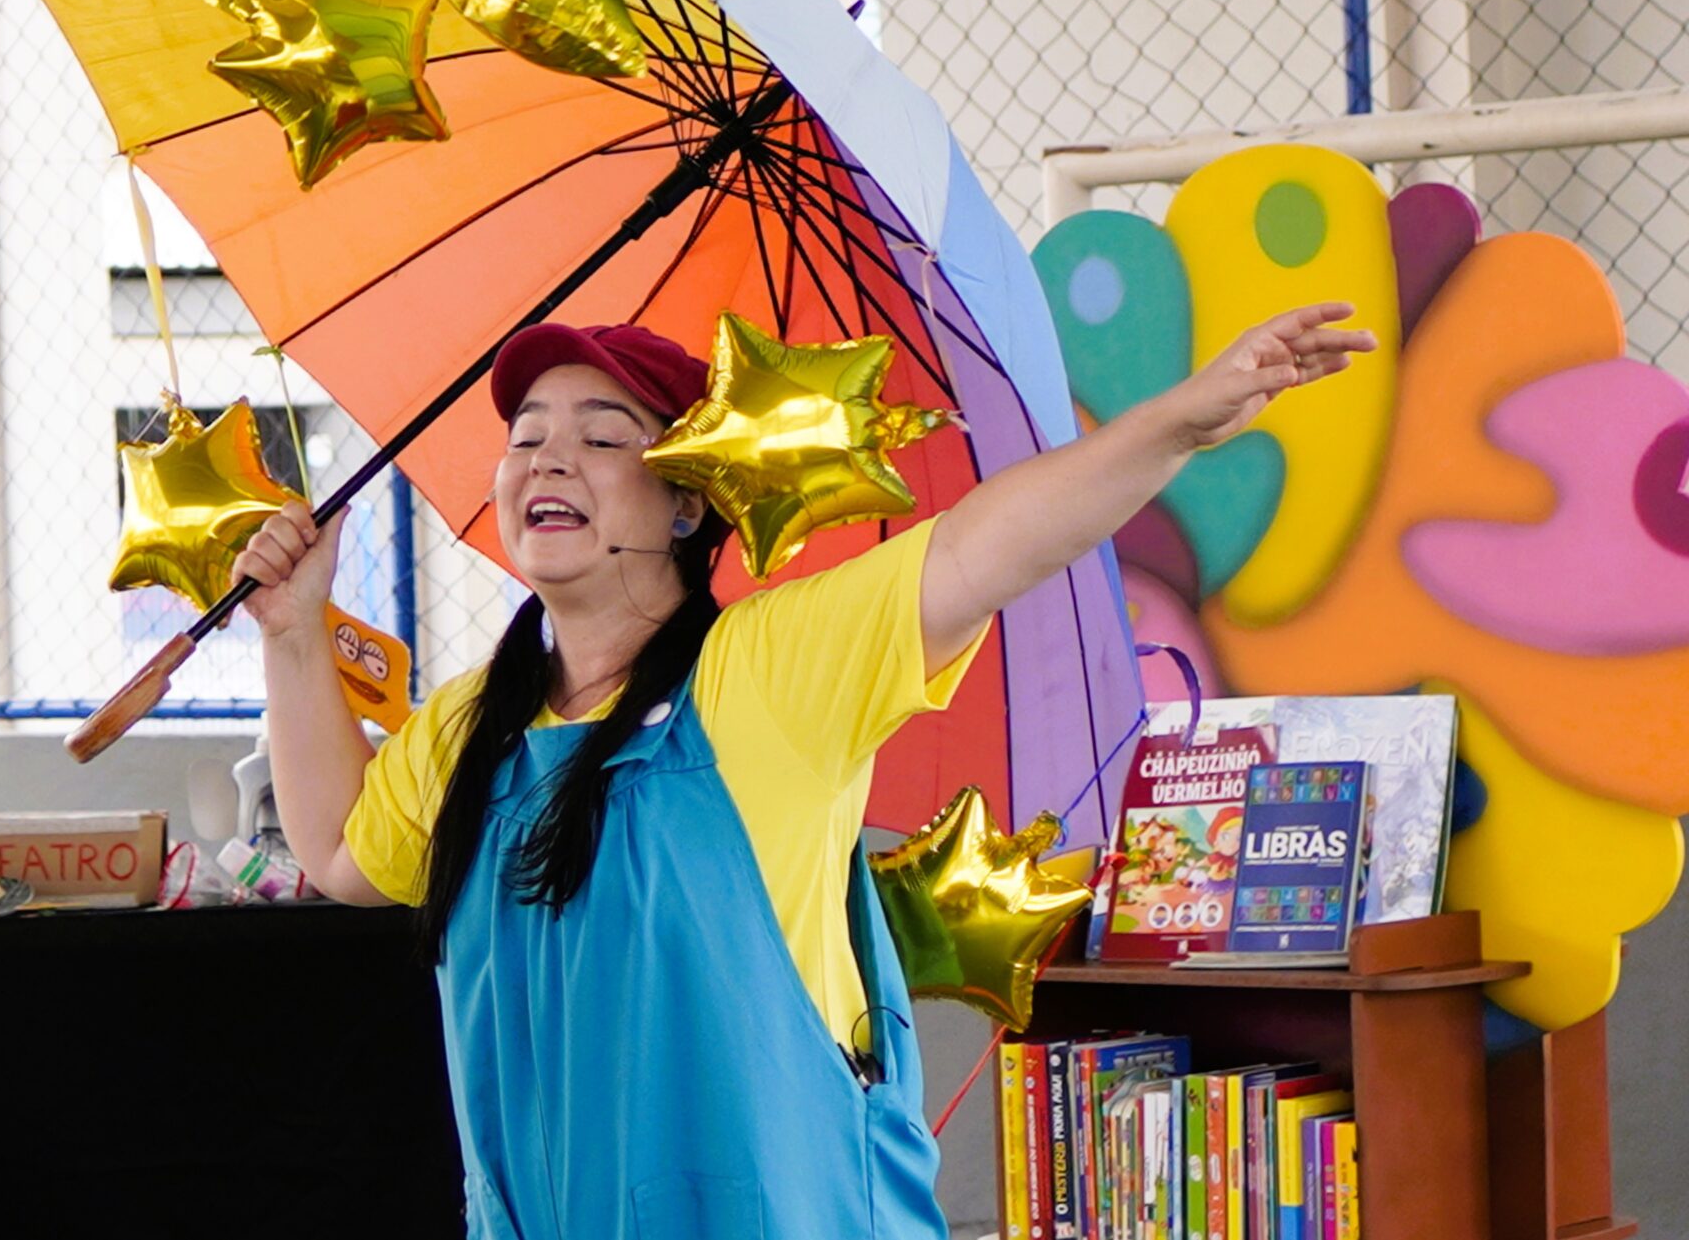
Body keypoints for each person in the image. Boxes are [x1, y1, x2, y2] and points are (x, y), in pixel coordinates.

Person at [233, 305, 1375, 1237]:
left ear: (688, 501)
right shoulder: (466, 731)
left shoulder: (766, 673)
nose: (548, 457)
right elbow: (338, 852)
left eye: (603, 435)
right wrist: (290, 634)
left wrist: (1179, 422)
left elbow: (987, 545)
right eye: (526, 434)